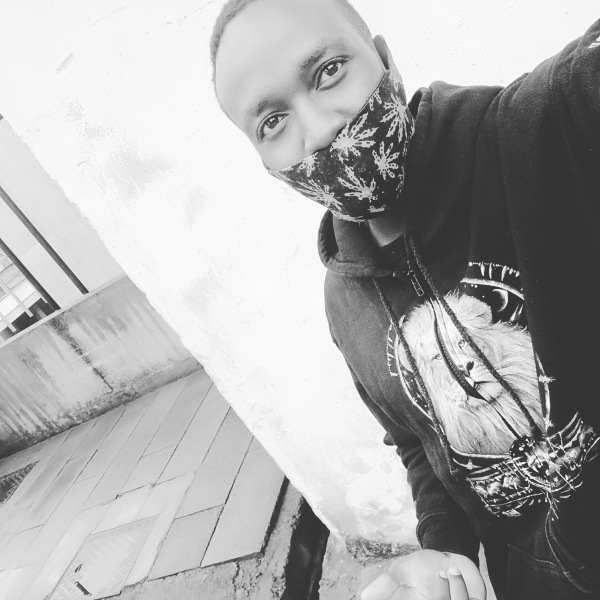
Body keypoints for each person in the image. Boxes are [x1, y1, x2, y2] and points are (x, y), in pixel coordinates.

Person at [211, 1, 600, 598]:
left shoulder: (543, 127)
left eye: (329, 71)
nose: (319, 129)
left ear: (384, 60)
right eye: (271, 122)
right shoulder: (344, 303)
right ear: (265, 163)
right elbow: (420, 445)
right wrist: (442, 550)